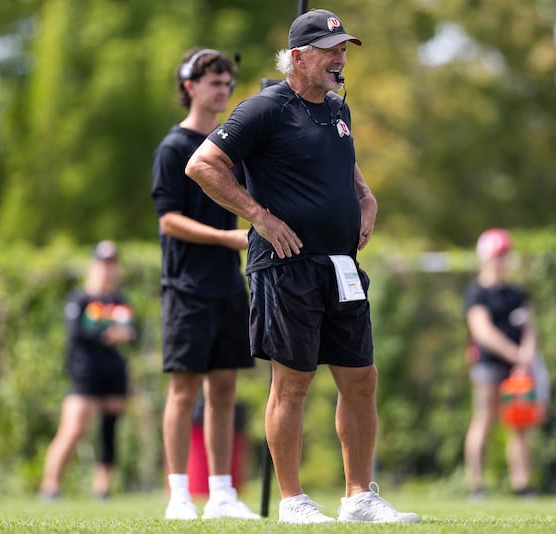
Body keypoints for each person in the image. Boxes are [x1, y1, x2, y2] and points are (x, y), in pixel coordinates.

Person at [185, 9, 420, 524]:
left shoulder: (337, 109)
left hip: (341, 265)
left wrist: (366, 195)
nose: (340, 59)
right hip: (286, 265)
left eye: (344, 49)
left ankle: (359, 497)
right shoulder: (265, 108)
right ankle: (293, 500)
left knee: (361, 378)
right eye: (330, 49)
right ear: (298, 57)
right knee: (292, 382)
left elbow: (343, 163)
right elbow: (201, 165)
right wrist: (259, 218)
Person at [151, 48, 258, 520]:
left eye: (227, 82)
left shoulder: (229, 147)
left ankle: (221, 493)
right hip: (186, 287)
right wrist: (226, 237)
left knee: (224, 390)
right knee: (184, 390)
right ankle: (179, 494)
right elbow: (168, 220)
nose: (223, 90)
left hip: (227, 286)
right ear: (189, 86)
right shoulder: (174, 148)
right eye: (214, 82)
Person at [39, 240, 136, 500]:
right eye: (103, 264)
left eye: (112, 264)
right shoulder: (80, 299)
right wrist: (108, 334)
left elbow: (133, 333)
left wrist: (125, 336)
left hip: (114, 371)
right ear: (93, 266)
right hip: (85, 372)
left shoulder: (120, 300)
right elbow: (75, 333)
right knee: (73, 430)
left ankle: (102, 489)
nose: (108, 270)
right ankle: (50, 487)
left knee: (109, 430)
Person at [463, 228, 544, 499]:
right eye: (497, 255)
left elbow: (530, 328)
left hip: (517, 371)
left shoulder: (517, 293)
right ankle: (476, 484)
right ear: (485, 258)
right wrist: (515, 354)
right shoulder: (477, 293)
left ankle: (522, 484)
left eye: (505, 255)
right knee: (484, 420)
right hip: (488, 366)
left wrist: (526, 357)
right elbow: (482, 331)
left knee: (519, 425)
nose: (502, 261)